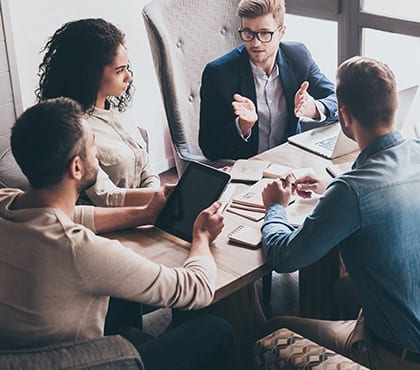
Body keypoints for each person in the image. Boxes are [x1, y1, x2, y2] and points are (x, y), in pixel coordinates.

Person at [0, 97, 233, 370]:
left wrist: (146, 213)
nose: (96, 152)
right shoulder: (78, 249)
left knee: (120, 296)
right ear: (76, 167)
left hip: (17, 350)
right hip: (78, 361)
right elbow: (196, 289)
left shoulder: (8, 201)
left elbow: (70, 216)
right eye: (92, 146)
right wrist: (202, 236)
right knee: (216, 330)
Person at [259, 56, 420, 369]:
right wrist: (333, 183)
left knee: (272, 328)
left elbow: (283, 257)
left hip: (397, 356)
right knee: (342, 290)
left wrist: (276, 207)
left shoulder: (351, 192)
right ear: (393, 105)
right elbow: (380, 182)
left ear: (344, 117)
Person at [36, 18, 162, 207]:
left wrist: (158, 198)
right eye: (119, 70)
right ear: (90, 75)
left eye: (127, 67)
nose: (129, 77)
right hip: (113, 221)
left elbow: (146, 167)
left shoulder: (118, 111)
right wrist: (162, 196)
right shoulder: (76, 131)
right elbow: (105, 196)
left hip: (148, 209)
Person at [199, 0, 337, 161]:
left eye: (265, 33)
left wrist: (313, 108)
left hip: (289, 163)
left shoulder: (298, 56)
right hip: (244, 167)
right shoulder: (218, 73)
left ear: (282, 32)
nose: (255, 42)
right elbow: (209, 147)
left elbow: (336, 99)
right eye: (248, 32)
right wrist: (242, 125)